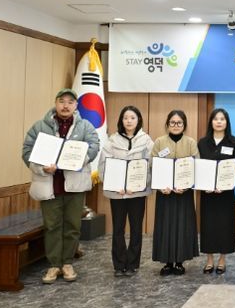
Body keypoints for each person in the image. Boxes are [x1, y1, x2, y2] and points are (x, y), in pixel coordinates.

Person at [22, 88, 100, 284]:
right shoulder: (39, 126)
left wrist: (78, 160)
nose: (66, 105)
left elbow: (94, 146)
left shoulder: (85, 126)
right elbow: (27, 150)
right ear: (56, 103)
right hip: (49, 185)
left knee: (73, 225)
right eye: (62, 101)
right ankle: (54, 264)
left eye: (70, 102)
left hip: (74, 185)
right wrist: (41, 167)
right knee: (52, 226)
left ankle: (67, 263)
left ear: (76, 106)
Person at [98, 105, 154, 277]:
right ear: (121, 120)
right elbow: (103, 166)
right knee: (118, 228)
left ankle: (132, 263)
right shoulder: (112, 140)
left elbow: (152, 167)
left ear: (138, 120)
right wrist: (115, 185)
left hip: (137, 193)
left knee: (136, 229)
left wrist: (138, 185)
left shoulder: (147, 141)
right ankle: (119, 264)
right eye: (125, 118)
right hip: (118, 193)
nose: (129, 121)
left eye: (132, 118)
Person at [151, 110, 199, 276]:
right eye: (172, 122)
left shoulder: (191, 143)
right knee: (165, 226)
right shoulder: (159, 142)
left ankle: (179, 262)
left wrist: (186, 186)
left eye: (179, 123)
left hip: (183, 194)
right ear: (167, 124)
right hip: (164, 193)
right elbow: (153, 165)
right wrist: (160, 186)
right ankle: (167, 262)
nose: (176, 125)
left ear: (184, 125)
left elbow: (196, 166)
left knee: (182, 226)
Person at [197, 108, 235, 275]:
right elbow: (198, 166)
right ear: (211, 122)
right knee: (208, 225)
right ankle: (209, 260)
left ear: (227, 122)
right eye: (216, 119)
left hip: (225, 193)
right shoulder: (202, 142)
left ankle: (222, 259)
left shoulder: (233, 142)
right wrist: (203, 184)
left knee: (224, 225)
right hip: (207, 193)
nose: (219, 122)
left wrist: (225, 183)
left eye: (222, 119)